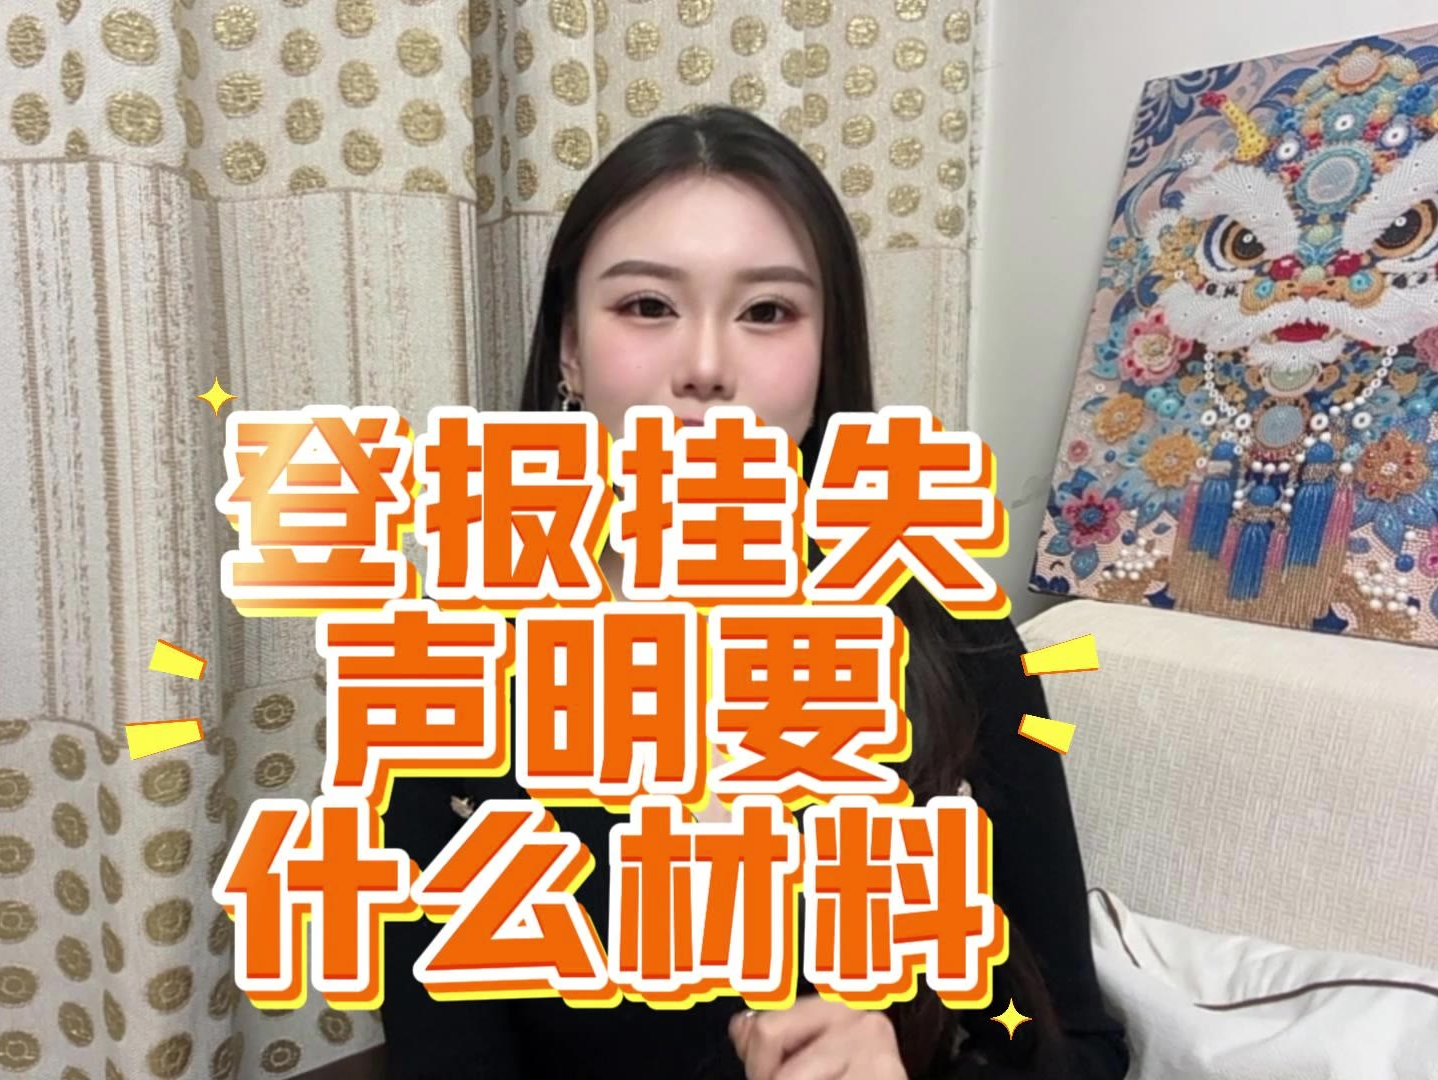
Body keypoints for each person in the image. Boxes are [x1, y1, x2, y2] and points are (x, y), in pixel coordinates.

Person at [378, 106, 1130, 1080]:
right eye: (647, 306)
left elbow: (1081, 1048)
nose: (705, 368)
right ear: (569, 350)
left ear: (825, 355)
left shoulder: (951, 633)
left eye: (768, 312)